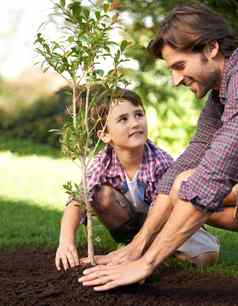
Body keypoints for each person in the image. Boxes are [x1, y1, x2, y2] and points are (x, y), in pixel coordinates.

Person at [78, 4, 238, 291]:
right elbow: (189, 160)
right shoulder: (220, 97)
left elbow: (214, 174)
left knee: (193, 185)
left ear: (211, 48)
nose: (175, 80)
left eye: (180, 66)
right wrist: (135, 248)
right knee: (180, 182)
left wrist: (147, 262)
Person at [55, 87, 220, 272]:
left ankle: (147, 251)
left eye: (139, 115)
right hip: (136, 226)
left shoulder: (159, 162)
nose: (135, 123)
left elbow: (169, 211)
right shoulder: (103, 163)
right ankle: (131, 246)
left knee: (207, 257)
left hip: (165, 222)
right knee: (101, 195)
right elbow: (77, 201)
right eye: (123, 119)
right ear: (104, 134)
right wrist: (65, 241)